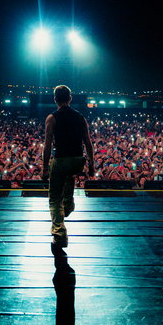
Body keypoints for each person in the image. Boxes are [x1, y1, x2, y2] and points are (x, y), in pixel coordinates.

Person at [42, 85, 94, 247]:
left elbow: (47, 145)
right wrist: (92, 165)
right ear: (70, 99)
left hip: (61, 160)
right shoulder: (80, 118)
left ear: (55, 99)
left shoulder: (52, 118)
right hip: (78, 161)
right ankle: (68, 204)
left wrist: (44, 168)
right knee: (69, 179)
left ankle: (60, 235)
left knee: (54, 198)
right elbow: (88, 143)